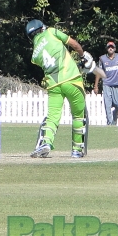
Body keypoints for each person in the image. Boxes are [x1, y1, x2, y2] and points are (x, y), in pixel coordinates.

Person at [26, 19, 92, 159]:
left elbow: (52, 63)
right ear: (42, 28)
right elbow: (73, 44)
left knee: (53, 117)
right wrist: (83, 56)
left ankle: (47, 142)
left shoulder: (34, 55)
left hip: (54, 85)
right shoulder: (51, 31)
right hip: (72, 79)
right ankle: (76, 149)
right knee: (78, 116)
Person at [93, 41, 118, 125]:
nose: (110, 48)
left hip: (117, 84)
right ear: (107, 49)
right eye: (109, 47)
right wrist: (96, 86)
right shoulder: (102, 59)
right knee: (107, 105)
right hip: (107, 84)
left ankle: (114, 115)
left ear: (114, 49)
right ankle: (109, 123)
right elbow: (99, 72)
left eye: (112, 47)